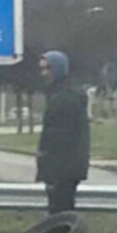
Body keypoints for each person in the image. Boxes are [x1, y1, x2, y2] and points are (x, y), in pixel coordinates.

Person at [37, 50, 90, 214]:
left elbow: (60, 136)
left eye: (48, 68)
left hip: (62, 168)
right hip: (64, 167)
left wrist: (48, 164)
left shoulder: (65, 97)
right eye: (42, 69)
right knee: (61, 209)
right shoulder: (60, 94)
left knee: (60, 210)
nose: (44, 73)